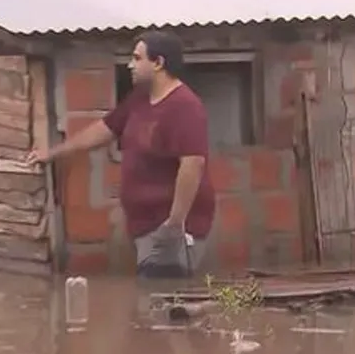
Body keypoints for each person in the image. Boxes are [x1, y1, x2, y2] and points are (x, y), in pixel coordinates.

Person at [27, 30, 215, 278]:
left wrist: (174, 224)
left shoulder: (185, 107)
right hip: (146, 225)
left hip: (170, 228)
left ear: (159, 63)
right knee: (156, 299)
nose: (130, 65)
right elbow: (105, 129)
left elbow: (193, 165)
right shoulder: (140, 99)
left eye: (137, 58)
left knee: (160, 298)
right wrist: (54, 153)